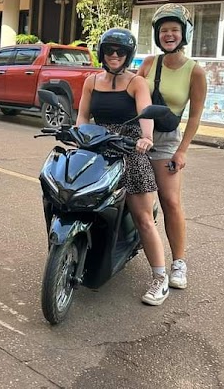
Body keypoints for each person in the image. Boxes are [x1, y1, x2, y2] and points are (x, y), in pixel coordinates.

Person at [75, 28, 169, 306]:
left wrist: (146, 138)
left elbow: (146, 114)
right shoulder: (91, 81)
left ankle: (160, 278)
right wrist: (80, 134)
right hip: (98, 147)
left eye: (120, 51)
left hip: (130, 149)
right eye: (109, 50)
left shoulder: (136, 83)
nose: (114, 55)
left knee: (143, 219)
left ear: (127, 55)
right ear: (102, 53)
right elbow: (82, 115)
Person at [137, 4, 207, 290]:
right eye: (164, 30)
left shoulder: (195, 71)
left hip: (166, 141)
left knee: (171, 201)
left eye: (174, 30)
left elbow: (195, 115)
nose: (169, 35)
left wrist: (182, 150)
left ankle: (178, 262)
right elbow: (132, 93)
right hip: (139, 136)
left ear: (184, 34)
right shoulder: (148, 63)